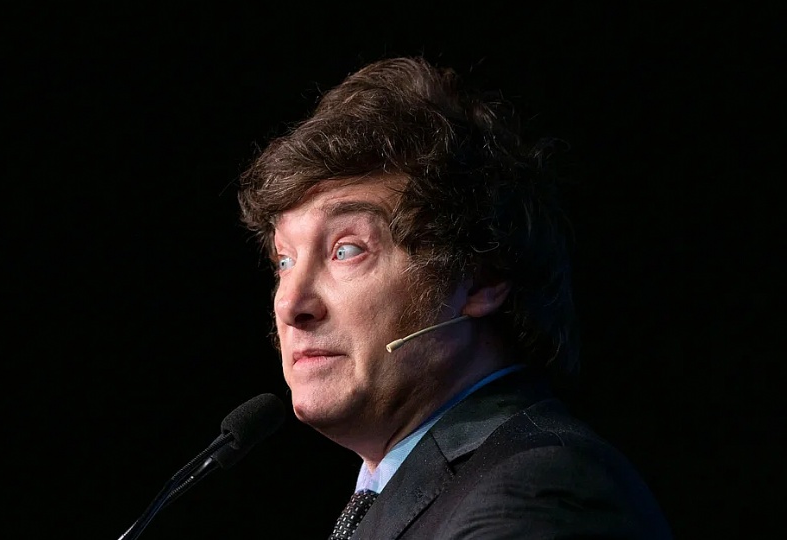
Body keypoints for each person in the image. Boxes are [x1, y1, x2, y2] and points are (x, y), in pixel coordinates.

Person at [236, 56, 672, 539]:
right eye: (285, 261)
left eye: (347, 250)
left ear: (481, 279)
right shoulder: (418, 490)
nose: (290, 305)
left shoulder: (537, 491)